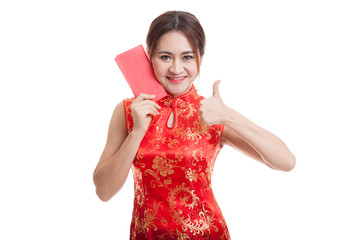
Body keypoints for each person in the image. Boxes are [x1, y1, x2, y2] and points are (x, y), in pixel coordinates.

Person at [93, 10, 296, 240]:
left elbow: (286, 162)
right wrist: (137, 132)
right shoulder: (129, 111)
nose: (176, 69)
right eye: (165, 57)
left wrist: (228, 116)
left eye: (187, 57)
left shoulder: (211, 113)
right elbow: (104, 191)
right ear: (149, 56)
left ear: (200, 56)